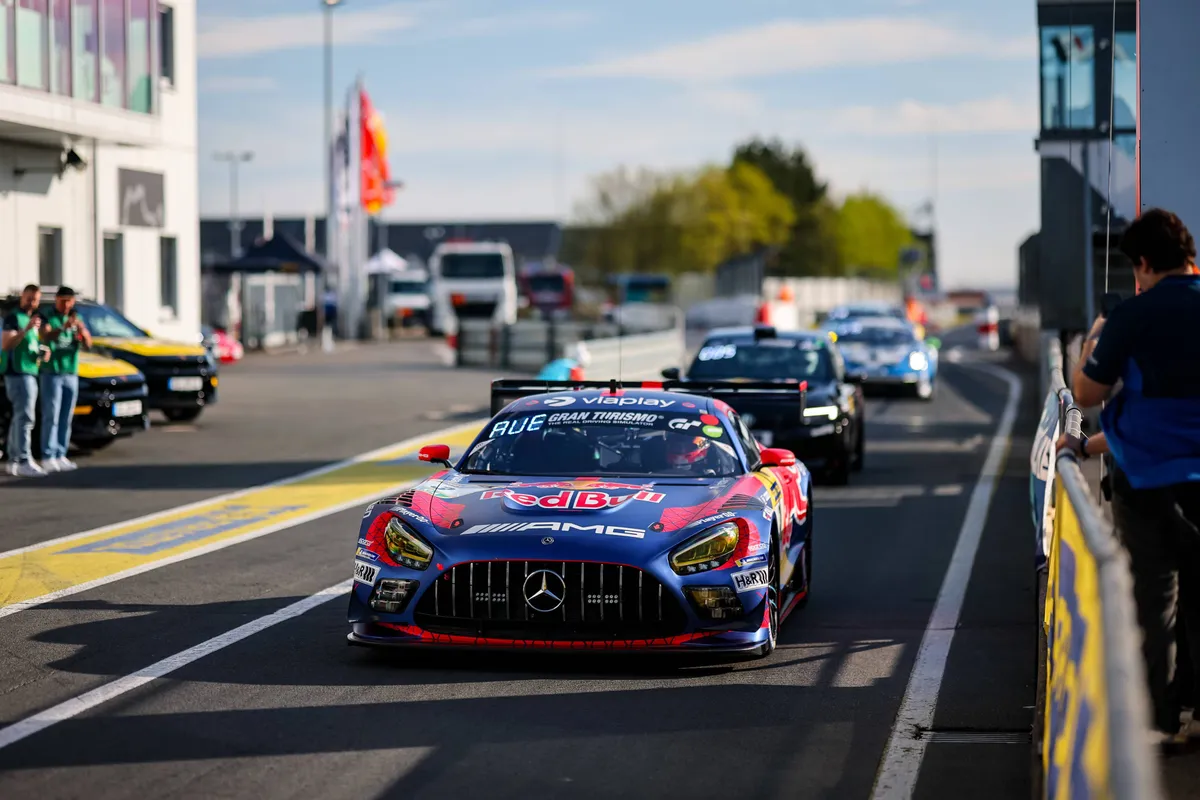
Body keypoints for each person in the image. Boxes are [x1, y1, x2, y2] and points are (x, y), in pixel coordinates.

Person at [1070, 207, 1200, 743]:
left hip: (1146, 482)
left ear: (1143, 263)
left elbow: (1086, 392)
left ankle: (1157, 724)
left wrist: (1094, 340)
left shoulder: (1134, 316)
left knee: (1154, 602)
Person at [39, 286, 91, 472]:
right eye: (63, 301)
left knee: (66, 416)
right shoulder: (48, 316)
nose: (66, 305)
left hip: (70, 372)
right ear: (56, 300)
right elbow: (45, 335)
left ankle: (61, 453)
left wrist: (82, 332)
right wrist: (63, 327)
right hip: (52, 372)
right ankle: (48, 455)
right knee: (51, 415)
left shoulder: (77, 318)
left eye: (69, 301)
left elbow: (88, 344)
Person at [1, 285, 45, 477]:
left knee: (19, 417)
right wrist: (26, 329)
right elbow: (6, 344)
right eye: (29, 298)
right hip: (17, 374)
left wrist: (41, 353)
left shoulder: (32, 320)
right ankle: (24, 459)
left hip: (29, 371)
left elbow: (29, 346)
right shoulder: (14, 318)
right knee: (26, 418)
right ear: (22, 297)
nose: (31, 302)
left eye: (35, 299)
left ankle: (14, 460)